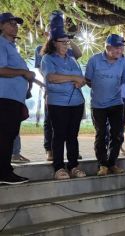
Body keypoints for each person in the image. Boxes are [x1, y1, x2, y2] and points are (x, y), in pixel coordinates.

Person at [40, 20, 86, 180]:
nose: (67, 44)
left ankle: (73, 165)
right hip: (57, 103)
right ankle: (59, 167)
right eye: (64, 42)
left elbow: (81, 78)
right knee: (59, 135)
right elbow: (52, 77)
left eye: (68, 41)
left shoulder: (72, 59)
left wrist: (78, 80)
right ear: (53, 43)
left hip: (76, 103)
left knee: (73, 135)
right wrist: (72, 77)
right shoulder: (48, 58)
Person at [85, 34, 125, 176]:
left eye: (122, 47)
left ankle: (112, 163)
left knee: (118, 134)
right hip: (98, 105)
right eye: (117, 48)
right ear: (108, 47)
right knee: (101, 134)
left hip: (116, 103)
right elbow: (88, 80)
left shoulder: (124, 62)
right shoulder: (94, 60)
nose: (120, 51)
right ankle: (102, 164)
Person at [0, 12, 33, 184]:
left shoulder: (11, 46)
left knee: (9, 135)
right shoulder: (1, 44)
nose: (15, 26)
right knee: (5, 135)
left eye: (16, 23)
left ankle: (5, 170)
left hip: (14, 99)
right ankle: (4, 173)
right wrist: (23, 72)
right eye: (10, 23)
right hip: (5, 99)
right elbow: (1, 70)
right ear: (1, 26)